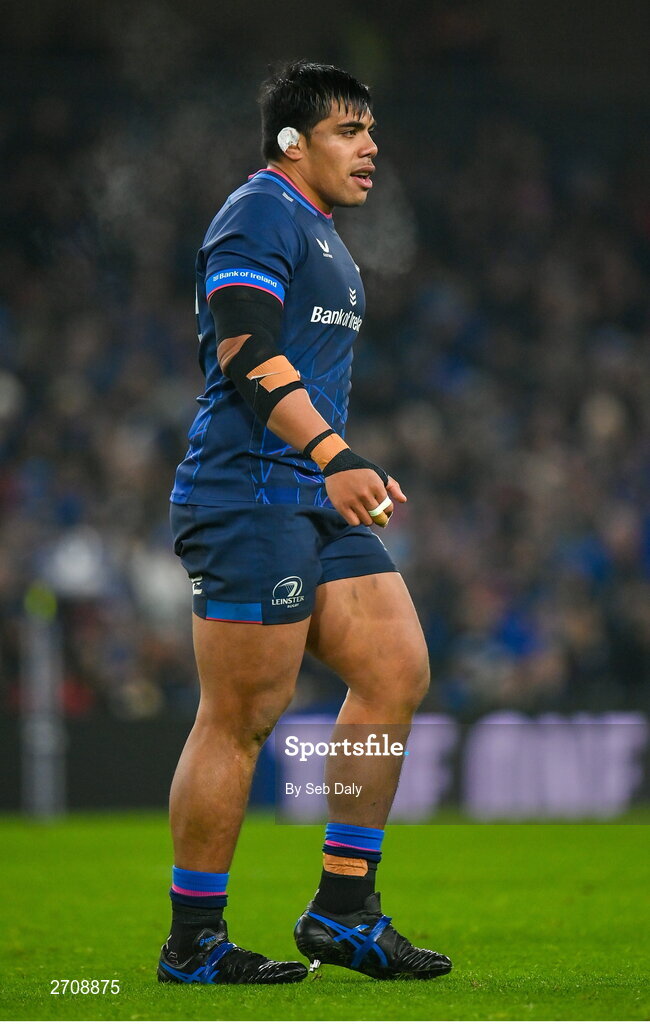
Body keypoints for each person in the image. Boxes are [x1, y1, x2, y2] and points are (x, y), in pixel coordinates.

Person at [158, 59, 452, 985]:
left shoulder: (324, 235)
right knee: (242, 716)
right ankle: (194, 943)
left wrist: (327, 466)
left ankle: (343, 910)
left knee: (395, 668)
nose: (371, 148)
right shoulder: (258, 212)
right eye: (348, 131)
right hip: (248, 490)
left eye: (371, 129)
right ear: (294, 141)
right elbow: (246, 351)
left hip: (310, 494)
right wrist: (337, 456)